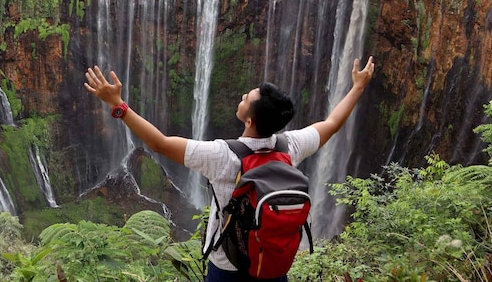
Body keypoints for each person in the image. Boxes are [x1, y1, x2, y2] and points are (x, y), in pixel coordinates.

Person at [84, 55, 375, 282]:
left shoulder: (221, 155)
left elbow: (159, 143)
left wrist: (117, 104)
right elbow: (332, 124)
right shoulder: (291, 146)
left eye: (246, 98)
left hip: (227, 267)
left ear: (249, 121)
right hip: (272, 265)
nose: (242, 98)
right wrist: (358, 87)